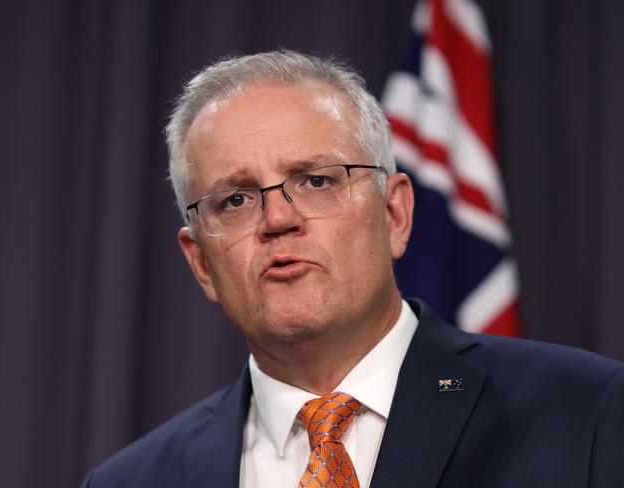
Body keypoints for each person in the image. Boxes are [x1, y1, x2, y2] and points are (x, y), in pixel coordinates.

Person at [82, 50, 624, 487]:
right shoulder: (130, 480)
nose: (277, 218)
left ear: (394, 214)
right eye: (235, 201)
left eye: (316, 181)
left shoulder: (586, 413)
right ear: (200, 262)